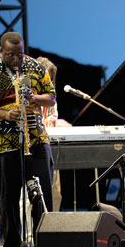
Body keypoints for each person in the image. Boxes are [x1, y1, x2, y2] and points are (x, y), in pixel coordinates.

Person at [0, 31, 56, 247]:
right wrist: (5, 115)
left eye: (20, 54)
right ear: (1, 51)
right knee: (9, 193)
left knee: (42, 190)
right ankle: (13, 244)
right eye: (11, 55)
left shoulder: (34, 66)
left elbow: (51, 97)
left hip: (35, 136)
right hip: (3, 139)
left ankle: (45, 242)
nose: (16, 59)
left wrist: (34, 98)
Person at [36, 56, 72, 212]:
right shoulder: (29, 96)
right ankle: (29, 234)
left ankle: (52, 229)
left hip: (50, 148)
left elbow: (53, 119)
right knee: (31, 194)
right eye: (46, 78)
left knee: (55, 192)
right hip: (33, 150)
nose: (49, 82)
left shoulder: (51, 99)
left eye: (51, 79)